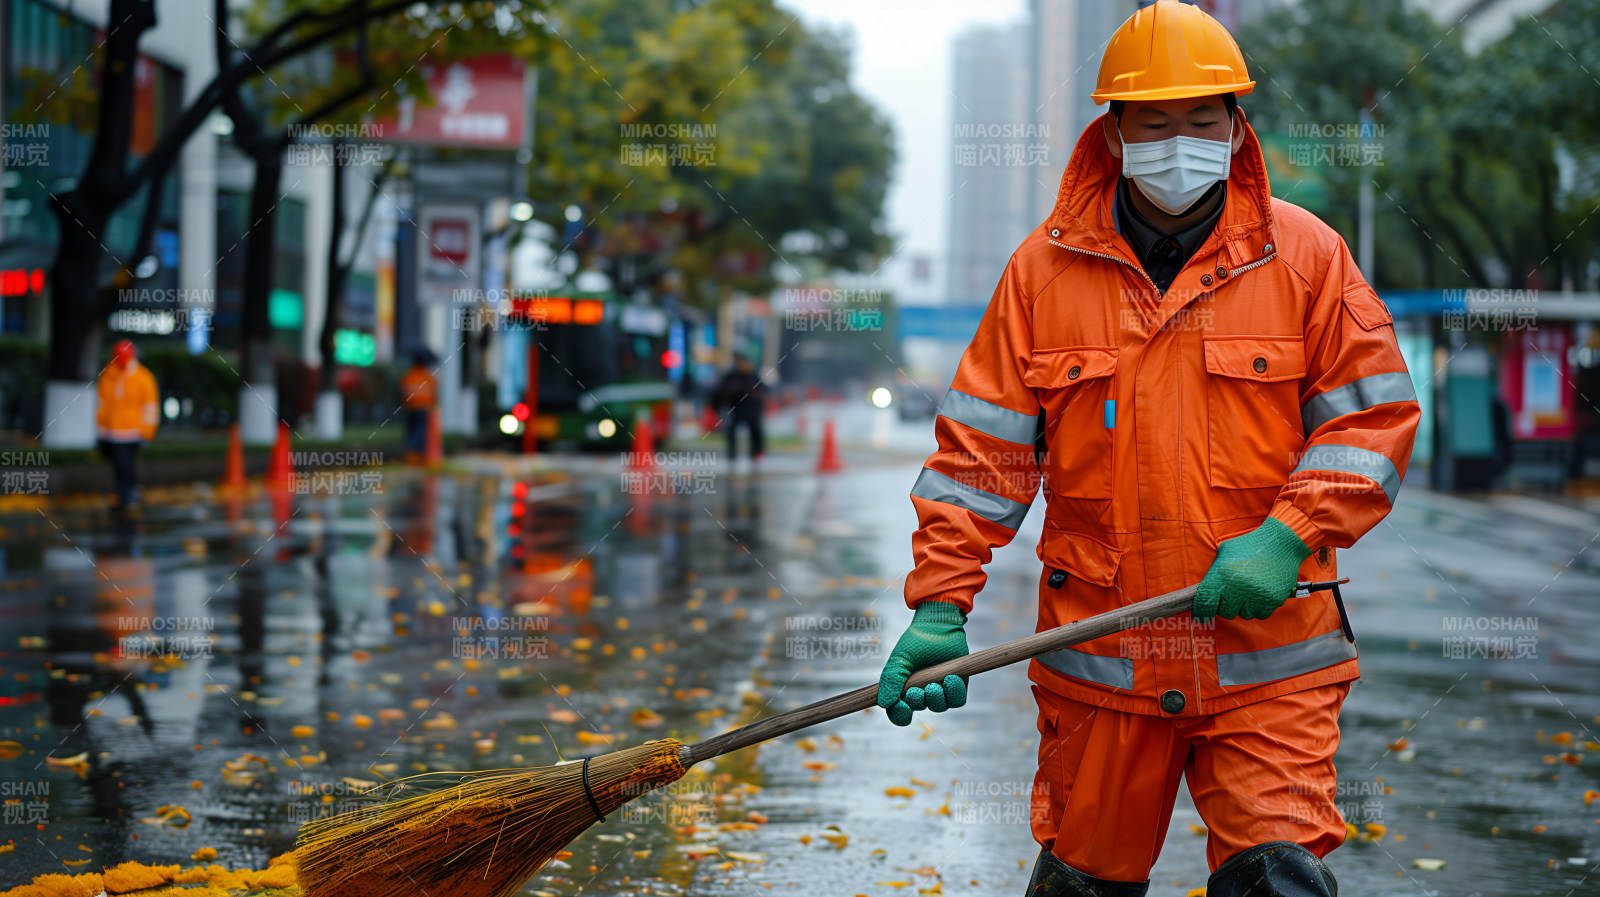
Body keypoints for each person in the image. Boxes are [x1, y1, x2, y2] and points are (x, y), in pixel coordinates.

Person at [875, 4, 1421, 896]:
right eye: (1155, 122)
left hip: (1268, 663)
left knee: (1277, 879)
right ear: (1115, 130)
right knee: (1084, 887)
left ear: (1236, 126)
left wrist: (1289, 531)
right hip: (1103, 672)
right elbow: (981, 456)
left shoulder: (1307, 258)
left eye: (1203, 120)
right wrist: (942, 604)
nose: (1181, 142)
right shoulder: (1041, 274)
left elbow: (1373, 420)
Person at [95, 339, 159, 508]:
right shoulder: (108, 376)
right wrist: (100, 430)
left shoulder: (143, 378)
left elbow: (150, 408)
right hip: (111, 433)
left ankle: (128, 493)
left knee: (126, 465)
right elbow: (102, 405)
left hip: (132, 433)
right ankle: (124, 494)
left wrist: (147, 432)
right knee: (119, 465)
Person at [713, 354, 765, 464]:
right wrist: (717, 405)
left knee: (755, 430)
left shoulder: (752, 375)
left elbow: (761, 390)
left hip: (751, 409)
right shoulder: (731, 376)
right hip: (736, 408)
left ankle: (756, 452)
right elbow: (721, 391)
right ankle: (732, 453)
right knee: (732, 430)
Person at [399, 348, 438, 463]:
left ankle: (410, 454)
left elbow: (403, 392)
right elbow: (433, 394)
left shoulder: (408, 376)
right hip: (424, 409)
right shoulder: (428, 377)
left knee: (411, 431)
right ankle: (417, 454)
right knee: (420, 432)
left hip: (410, 409)